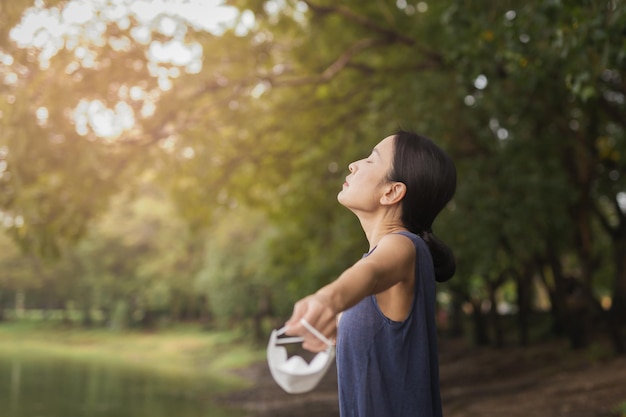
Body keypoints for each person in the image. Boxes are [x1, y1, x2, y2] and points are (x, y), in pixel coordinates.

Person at [284, 130, 457, 417]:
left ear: (391, 191)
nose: (354, 164)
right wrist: (336, 325)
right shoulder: (394, 254)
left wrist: (328, 299)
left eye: (370, 159)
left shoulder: (403, 246)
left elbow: (372, 273)